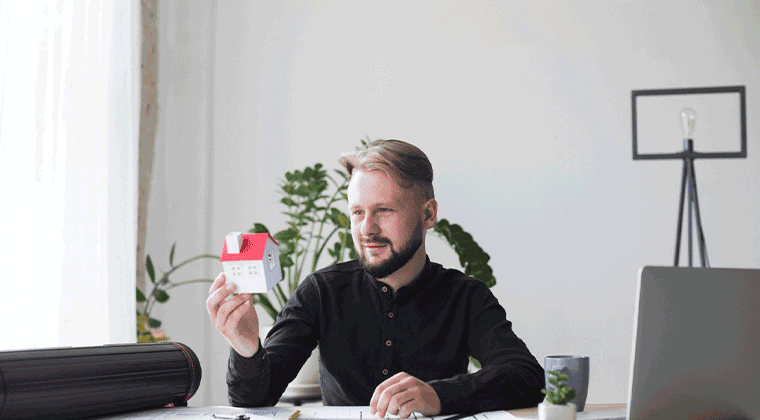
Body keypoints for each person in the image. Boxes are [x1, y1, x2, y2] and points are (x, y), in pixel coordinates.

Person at [206, 140, 544, 417]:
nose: (367, 229)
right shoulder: (321, 291)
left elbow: (525, 375)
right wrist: (247, 345)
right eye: (357, 212)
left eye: (384, 211)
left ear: (428, 214)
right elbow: (254, 399)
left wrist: (437, 396)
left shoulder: (465, 296)